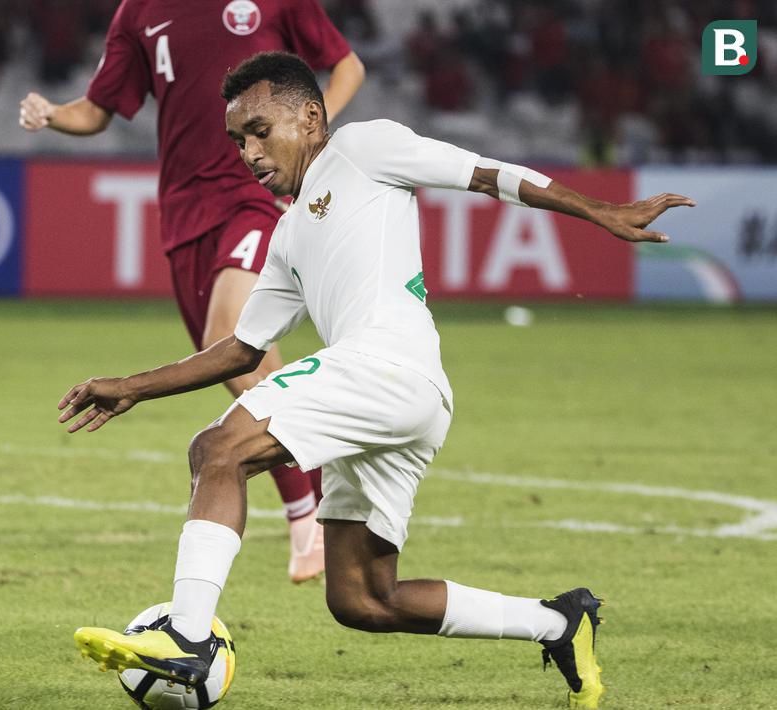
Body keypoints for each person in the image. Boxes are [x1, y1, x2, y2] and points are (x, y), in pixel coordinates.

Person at [61, 52, 695, 709]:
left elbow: (484, 175)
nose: (247, 151)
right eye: (236, 140)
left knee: (216, 450)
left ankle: (187, 641)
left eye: (258, 130)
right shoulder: (285, 235)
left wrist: (599, 210)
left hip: (384, 366)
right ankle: (561, 621)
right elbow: (241, 351)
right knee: (362, 599)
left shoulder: (364, 147)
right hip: (403, 397)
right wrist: (133, 385)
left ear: (310, 117)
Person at [20, 0, 365, 583]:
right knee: (241, 362)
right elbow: (100, 110)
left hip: (254, 195)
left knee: (229, 340)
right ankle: (317, 498)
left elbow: (347, 64)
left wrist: (306, 134)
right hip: (184, 216)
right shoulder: (138, 12)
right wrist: (52, 113)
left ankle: (308, 509)